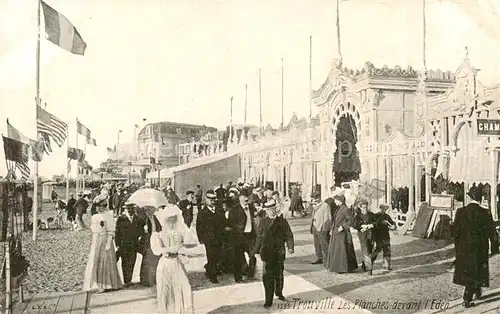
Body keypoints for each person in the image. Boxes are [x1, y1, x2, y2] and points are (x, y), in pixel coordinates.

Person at [453, 186, 499, 308]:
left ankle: (476, 291)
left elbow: (455, 233)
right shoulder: (485, 213)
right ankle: (467, 299)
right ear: (479, 199)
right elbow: (492, 232)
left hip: (464, 248)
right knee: (476, 271)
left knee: (469, 271)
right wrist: (495, 248)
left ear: (469, 197)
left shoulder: (460, 212)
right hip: (480, 248)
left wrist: (457, 248)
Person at [151, 205, 198, 313]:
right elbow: (156, 250)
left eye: (174, 219)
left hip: (177, 263)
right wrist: (170, 249)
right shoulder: (159, 234)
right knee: (165, 291)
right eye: (169, 220)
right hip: (165, 263)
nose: (172, 222)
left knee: (184, 287)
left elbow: (192, 243)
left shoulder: (180, 232)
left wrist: (183, 246)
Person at [253, 200, 294, 308]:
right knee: (267, 277)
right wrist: (255, 251)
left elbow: (289, 235)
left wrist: (290, 247)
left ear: (276, 209)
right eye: (269, 210)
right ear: (266, 211)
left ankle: (279, 292)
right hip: (267, 253)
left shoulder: (282, 221)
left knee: (279, 275)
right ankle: (268, 299)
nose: (271, 212)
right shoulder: (262, 222)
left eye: (273, 209)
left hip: (279, 252)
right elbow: (259, 237)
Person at [83, 195, 123, 292]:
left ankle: (107, 284)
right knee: (96, 260)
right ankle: (97, 283)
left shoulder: (108, 216)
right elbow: (92, 228)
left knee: (105, 261)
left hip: (105, 240)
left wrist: (108, 243)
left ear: (103, 206)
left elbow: (111, 231)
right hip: (96, 240)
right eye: (96, 206)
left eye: (99, 206)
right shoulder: (95, 217)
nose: (97, 208)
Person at [196, 190, 226, 283]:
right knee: (211, 256)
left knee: (218, 255)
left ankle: (210, 269)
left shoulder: (219, 210)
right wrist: (201, 239)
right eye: (210, 199)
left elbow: (224, 222)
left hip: (219, 237)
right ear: (206, 199)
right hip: (209, 239)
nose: (212, 201)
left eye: (214, 199)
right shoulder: (202, 212)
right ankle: (212, 275)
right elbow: (199, 227)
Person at [227, 193, 257, 283]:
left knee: (252, 255)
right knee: (238, 258)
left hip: (250, 236)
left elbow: (255, 216)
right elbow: (231, 223)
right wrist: (237, 230)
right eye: (244, 197)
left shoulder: (251, 207)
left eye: (247, 197)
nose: (246, 199)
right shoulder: (235, 209)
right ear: (239, 199)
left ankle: (250, 274)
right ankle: (238, 277)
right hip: (239, 236)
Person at [325, 193, 358, 273]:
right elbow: (335, 220)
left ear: (340, 201)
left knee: (342, 251)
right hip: (336, 233)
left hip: (342, 234)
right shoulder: (339, 208)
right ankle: (337, 267)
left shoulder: (345, 209)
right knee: (336, 251)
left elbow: (351, 220)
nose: (335, 201)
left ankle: (343, 268)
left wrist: (343, 226)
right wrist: (332, 229)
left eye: (336, 200)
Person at [115, 202, 143, 287]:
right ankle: (126, 280)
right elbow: (117, 231)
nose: (130, 210)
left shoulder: (138, 219)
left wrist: (139, 235)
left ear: (134, 209)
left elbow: (141, 230)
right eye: (128, 209)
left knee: (132, 261)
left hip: (134, 244)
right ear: (126, 209)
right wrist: (117, 244)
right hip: (124, 244)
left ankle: (129, 280)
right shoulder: (121, 218)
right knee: (125, 262)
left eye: (132, 209)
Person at [139, 206, 162, 287]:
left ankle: (153, 278)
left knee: (155, 259)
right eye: (151, 209)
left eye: (153, 210)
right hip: (147, 242)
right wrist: (144, 229)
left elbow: (159, 228)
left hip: (155, 240)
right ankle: (145, 280)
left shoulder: (155, 218)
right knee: (147, 261)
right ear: (147, 210)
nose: (153, 211)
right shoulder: (143, 218)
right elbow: (139, 229)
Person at [353, 200, 376, 274]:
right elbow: (355, 225)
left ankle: (364, 263)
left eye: (366, 207)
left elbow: (376, 222)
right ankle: (369, 269)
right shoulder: (358, 216)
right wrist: (361, 226)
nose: (365, 209)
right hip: (363, 236)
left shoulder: (371, 215)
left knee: (370, 250)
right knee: (365, 250)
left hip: (371, 235)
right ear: (360, 207)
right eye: (363, 207)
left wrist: (372, 225)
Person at [310, 195, 331, 266]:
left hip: (321, 227)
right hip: (315, 226)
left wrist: (326, 228)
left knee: (324, 244)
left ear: (319, 198)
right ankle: (319, 257)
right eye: (313, 199)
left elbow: (328, 217)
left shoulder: (325, 205)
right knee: (317, 244)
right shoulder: (314, 205)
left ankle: (328, 259)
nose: (314, 200)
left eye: (315, 199)